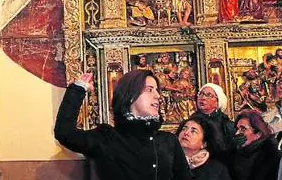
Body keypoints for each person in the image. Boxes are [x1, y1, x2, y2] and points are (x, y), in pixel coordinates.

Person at [54, 70, 193, 180]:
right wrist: (78, 89)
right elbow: (65, 133)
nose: (158, 96)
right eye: (150, 89)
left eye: (157, 90)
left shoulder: (168, 141)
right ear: (130, 95)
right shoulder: (106, 138)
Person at [177, 115, 232, 180]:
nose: (186, 133)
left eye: (193, 131)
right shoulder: (167, 161)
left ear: (204, 143)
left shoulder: (217, 170)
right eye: (184, 129)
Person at [231, 109, 280, 180]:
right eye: (237, 129)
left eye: (243, 129)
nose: (237, 133)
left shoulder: (271, 157)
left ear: (258, 134)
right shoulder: (236, 153)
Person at [191, 83, 236, 151]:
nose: (203, 98)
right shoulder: (191, 121)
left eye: (209, 95)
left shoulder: (227, 125)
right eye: (201, 94)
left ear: (217, 103)